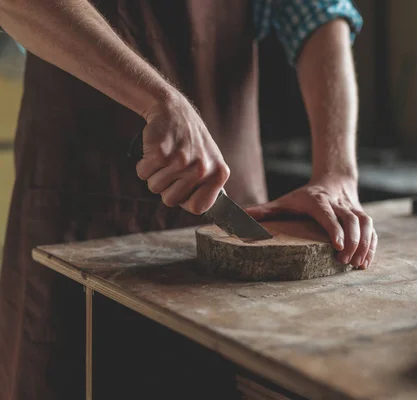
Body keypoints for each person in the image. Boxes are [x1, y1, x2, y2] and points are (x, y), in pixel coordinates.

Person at [0, 0, 377, 398]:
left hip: (237, 211)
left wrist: (336, 173)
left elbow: (318, 14)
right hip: (78, 213)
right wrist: (158, 99)